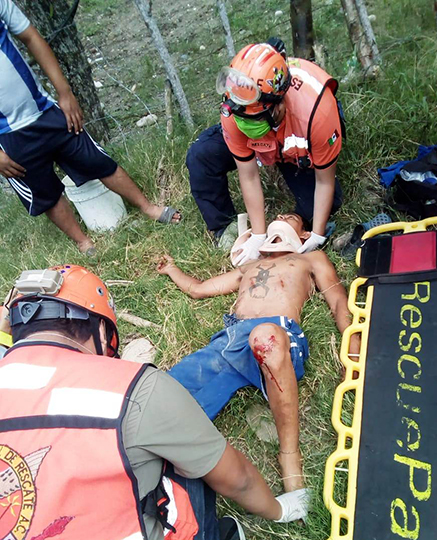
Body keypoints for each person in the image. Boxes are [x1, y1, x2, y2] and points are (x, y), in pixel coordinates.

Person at [0, 265, 309, 540]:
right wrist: (279, 510)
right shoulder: (133, 389)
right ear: (103, 332)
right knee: (175, 440)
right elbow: (237, 478)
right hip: (225, 346)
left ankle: (288, 453)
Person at [157, 213, 357, 493]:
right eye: (279, 215)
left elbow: (338, 302)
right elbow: (199, 289)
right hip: (231, 340)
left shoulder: (311, 259)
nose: (280, 216)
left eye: (291, 216)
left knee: (264, 337)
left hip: (278, 334)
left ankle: (289, 455)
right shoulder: (249, 266)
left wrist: (353, 353)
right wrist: (172, 270)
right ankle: (157, 471)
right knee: (162, 394)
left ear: (304, 235)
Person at [0, 0, 180, 255]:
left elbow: (31, 36)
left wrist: (65, 92)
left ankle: (148, 207)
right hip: (7, 137)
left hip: (45, 111)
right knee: (45, 192)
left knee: (96, 160)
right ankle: (84, 242)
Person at [187, 38, 344, 263]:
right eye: (243, 117)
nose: (247, 126)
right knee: (202, 155)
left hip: (295, 147)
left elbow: (324, 181)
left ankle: (294, 224)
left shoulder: (317, 113)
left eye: (255, 118)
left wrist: (318, 235)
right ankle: (225, 227)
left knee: (324, 205)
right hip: (265, 138)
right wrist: (258, 235)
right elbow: (249, 175)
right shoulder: (235, 111)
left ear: (279, 104)